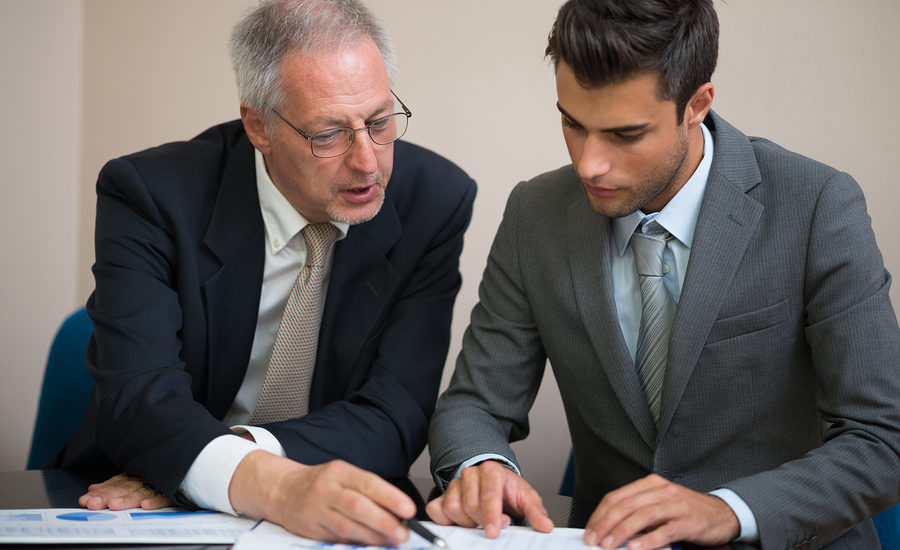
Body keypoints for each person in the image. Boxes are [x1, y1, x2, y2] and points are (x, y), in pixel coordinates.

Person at [426, 1, 900, 549]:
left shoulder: (816, 204)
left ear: (697, 104)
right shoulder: (536, 214)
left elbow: (881, 438)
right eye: (572, 123)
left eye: (626, 134)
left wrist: (728, 511)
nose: (589, 165)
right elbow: (475, 403)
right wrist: (480, 466)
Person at [54, 0, 476, 546]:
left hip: (326, 510)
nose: (368, 162)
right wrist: (246, 480)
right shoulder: (152, 194)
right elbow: (140, 398)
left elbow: (395, 412)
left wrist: (235, 464)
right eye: (328, 134)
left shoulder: (433, 200)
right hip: (136, 498)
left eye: (379, 121)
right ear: (258, 124)